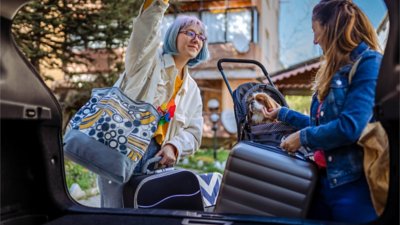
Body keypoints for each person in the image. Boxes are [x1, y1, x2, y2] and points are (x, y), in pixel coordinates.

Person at [262, 0, 382, 223]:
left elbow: (350, 127)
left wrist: (302, 138)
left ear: (332, 27)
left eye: (316, 31)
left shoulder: (369, 63)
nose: (315, 40)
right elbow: (322, 125)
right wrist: (281, 113)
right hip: (322, 181)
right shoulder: (333, 70)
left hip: (352, 187)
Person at [98, 0, 209, 208]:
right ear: (174, 34)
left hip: (156, 159)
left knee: (149, 214)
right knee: (115, 213)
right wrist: (158, 4)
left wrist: (173, 146)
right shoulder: (147, 62)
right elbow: (144, 33)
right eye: (190, 33)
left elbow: (194, 133)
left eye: (201, 36)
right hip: (121, 149)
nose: (197, 39)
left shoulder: (192, 89)